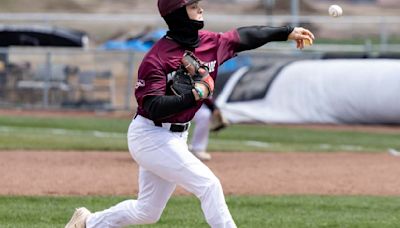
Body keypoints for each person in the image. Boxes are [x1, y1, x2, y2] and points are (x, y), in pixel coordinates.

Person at [65, 0, 315, 227]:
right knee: (209, 185)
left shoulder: (211, 42)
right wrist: (193, 95)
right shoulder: (156, 59)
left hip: (176, 137)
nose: (201, 9)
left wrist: (286, 32)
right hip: (150, 136)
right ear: (177, 14)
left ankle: (89, 222)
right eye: (193, 6)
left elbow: (245, 36)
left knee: (147, 212)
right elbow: (152, 106)